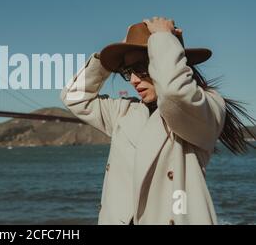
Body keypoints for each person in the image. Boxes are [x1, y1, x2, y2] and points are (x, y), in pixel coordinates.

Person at [60, 17, 255, 225]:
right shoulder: (125, 112)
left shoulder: (206, 108)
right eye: (128, 72)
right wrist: (107, 59)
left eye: (141, 67)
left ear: (166, 58)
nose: (134, 80)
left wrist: (162, 37)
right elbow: (73, 96)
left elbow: (174, 94)